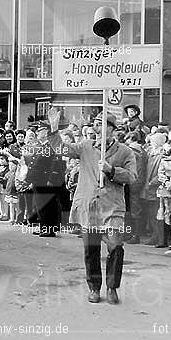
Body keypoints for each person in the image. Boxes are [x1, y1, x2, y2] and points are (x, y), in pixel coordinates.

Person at [48, 109, 137, 304]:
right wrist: (54, 129)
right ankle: (94, 288)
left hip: (112, 207)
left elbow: (132, 176)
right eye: (95, 123)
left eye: (101, 123)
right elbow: (62, 149)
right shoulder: (86, 146)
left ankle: (112, 287)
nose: (95, 127)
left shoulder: (125, 151)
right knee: (91, 249)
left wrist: (112, 170)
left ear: (112, 129)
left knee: (115, 246)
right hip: (89, 206)